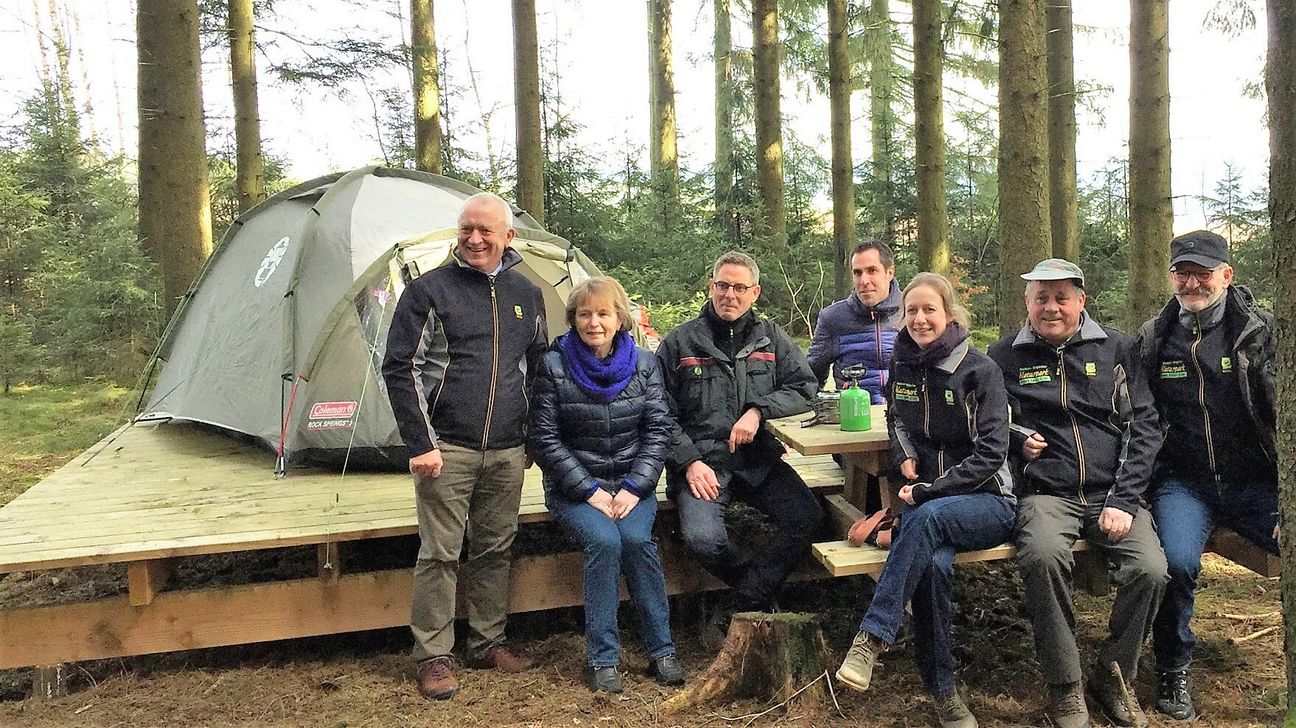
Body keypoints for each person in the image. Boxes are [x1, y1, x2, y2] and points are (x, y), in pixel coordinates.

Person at [381, 192, 548, 700]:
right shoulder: (428, 291)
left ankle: (487, 641)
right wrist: (420, 442)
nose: (475, 239)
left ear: (508, 238)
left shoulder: (528, 293)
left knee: (496, 548)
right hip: (445, 449)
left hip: (506, 451)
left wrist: (531, 440)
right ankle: (433, 655)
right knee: (440, 554)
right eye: (467, 229)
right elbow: (399, 367)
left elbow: (539, 370)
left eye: (486, 231)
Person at [987, 258, 1167, 728]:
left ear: (1081, 302)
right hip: (1047, 493)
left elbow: (1144, 427)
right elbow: (985, 425)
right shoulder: (1003, 356)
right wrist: (1015, 439)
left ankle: (1115, 673)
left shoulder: (1117, 349)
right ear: (1026, 303)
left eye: (1061, 297)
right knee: (1043, 556)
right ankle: (1065, 685)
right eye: (1040, 298)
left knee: (1150, 570)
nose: (1051, 307)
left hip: (1114, 491)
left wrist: (1125, 501)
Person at [835, 273, 1016, 728]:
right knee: (932, 567)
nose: (919, 319)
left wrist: (929, 490)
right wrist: (906, 456)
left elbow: (992, 454)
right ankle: (943, 693)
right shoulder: (903, 364)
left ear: (950, 315)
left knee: (929, 518)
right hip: (925, 501)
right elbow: (896, 416)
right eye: (911, 311)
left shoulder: (980, 371)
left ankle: (872, 637)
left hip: (987, 501)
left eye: (929, 310)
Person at [1134, 230, 1278, 721]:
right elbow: (1141, 414)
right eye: (1183, 271)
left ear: (1226, 275)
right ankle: (1173, 666)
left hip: (1256, 482)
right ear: (1171, 276)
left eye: (1203, 272)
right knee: (1175, 562)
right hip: (1185, 483)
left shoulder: (1259, 332)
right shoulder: (1155, 338)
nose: (1193, 281)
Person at [528, 276, 685, 694]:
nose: (593, 322)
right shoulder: (554, 364)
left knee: (635, 542)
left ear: (620, 319)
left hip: (634, 486)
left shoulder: (645, 364)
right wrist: (589, 491)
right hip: (577, 489)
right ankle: (603, 658)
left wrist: (635, 486)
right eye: (584, 314)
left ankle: (662, 650)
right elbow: (544, 438)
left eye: (603, 313)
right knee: (606, 543)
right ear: (574, 319)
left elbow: (658, 430)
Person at [657, 251, 824, 614]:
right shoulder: (678, 344)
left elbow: (805, 387)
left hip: (757, 459)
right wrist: (688, 462)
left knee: (806, 517)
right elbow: (659, 414)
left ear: (755, 293)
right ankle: (758, 586)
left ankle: (740, 603)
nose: (729, 295)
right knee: (702, 540)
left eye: (739, 287)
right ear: (710, 287)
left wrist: (758, 411)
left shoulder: (771, 339)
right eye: (722, 285)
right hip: (703, 464)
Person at [807, 240, 901, 402]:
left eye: (872, 271)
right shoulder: (832, 318)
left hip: (905, 417)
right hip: (853, 415)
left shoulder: (913, 312)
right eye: (857, 273)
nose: (864, 281)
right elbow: (810, 376)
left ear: (890, 272)